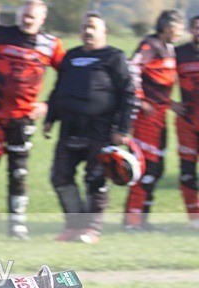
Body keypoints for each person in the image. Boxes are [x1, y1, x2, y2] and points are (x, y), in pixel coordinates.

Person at [0, 0, 64, 241]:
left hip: (24, 118)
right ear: (19, 15)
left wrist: (47, 105)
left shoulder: (52, 45)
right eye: (24, 15)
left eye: (32, 17)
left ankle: (17, 225)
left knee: (19, 172)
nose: (27, 20)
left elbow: (68, 77)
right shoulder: (1, 33)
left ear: (42, 19)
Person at [43, 12, 136, 243]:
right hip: (69, 128)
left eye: (93, 27)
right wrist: (50, 118)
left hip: (100, 130)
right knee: (60, 177)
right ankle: (74, 226)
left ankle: (91, 229)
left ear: (104, 31)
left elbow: (128, 94)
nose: (88, 31)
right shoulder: (71, 56)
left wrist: (122, 129)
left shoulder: (114, 57)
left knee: (96, 180)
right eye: (85, 27)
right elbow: (58, 89)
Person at [124, 9, 184, 231]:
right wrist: (140, 99)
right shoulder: (150, 45)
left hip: (161, 116)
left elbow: (159, 83)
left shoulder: (169, 48)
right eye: (179, 28)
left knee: (156, 169)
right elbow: (131, 68)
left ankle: (143, 219)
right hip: (146, 118)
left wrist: (170, 103)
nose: (181, 32)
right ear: (168, 27)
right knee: (145, 167)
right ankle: (132, 221)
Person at [175, 15, 199, 229]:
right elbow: (155, 78)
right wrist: (170, 103)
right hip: (188, 123)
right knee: (187, 172)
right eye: (197, 28)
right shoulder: (179, 53)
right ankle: (194, 218)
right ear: (191, 30)